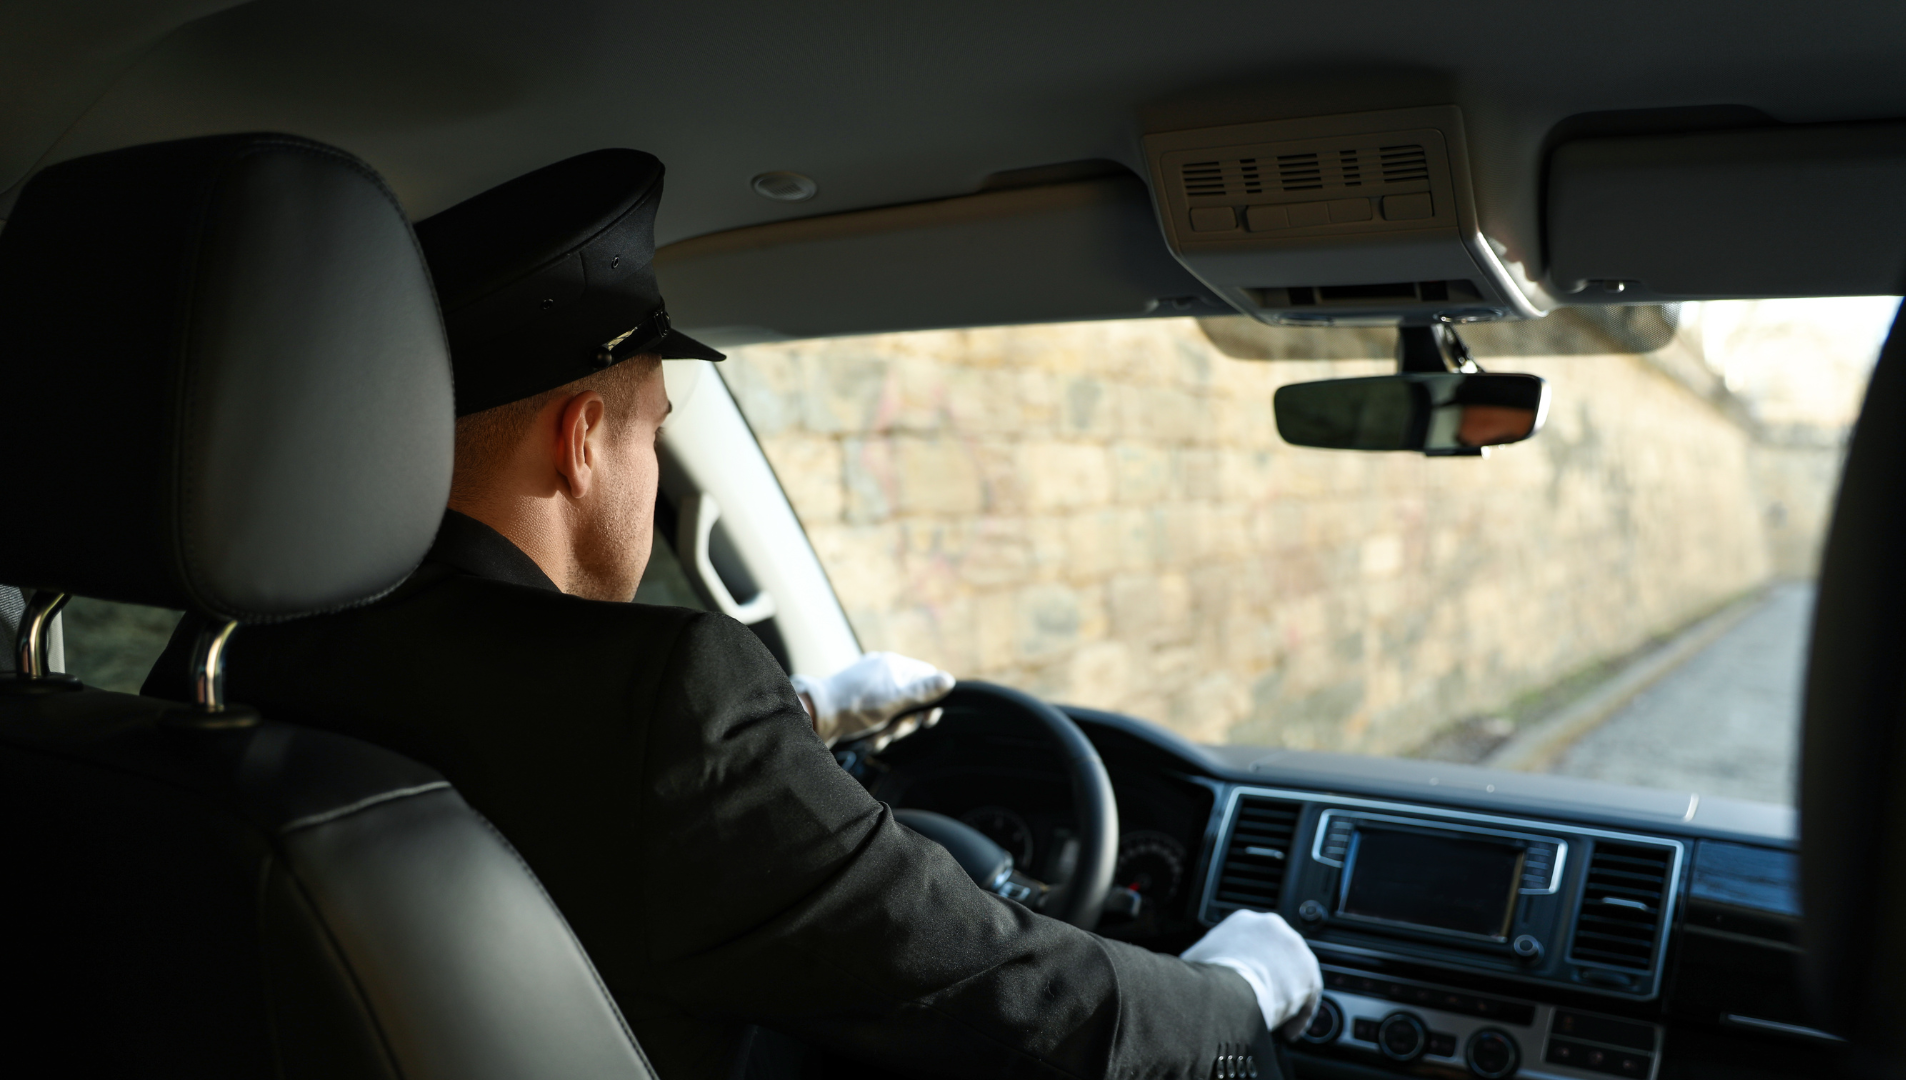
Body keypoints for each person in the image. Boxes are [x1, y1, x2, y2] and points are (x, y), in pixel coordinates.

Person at [144, 149, 1321, 1080]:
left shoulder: (218, 670)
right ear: (582, 441)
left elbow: (525, 773)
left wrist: (797, 716)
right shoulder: (662, 698)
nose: (654, 462)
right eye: (654, 426)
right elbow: (1009, 997)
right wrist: (1239, 997)